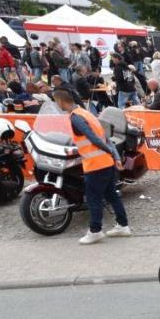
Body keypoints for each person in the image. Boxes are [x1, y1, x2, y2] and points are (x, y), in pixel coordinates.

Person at [51, 88, 131, 245]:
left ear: (60, 101)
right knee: (112, 196)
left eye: (55, 101)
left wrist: (108, 151)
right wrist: (113, 155)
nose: (56, 104)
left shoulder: (75, 118)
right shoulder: (86, 113)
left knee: (93, 199)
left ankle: (95, 231)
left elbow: (94, 139)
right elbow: (106, 138)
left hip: (95, 166)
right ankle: (123, 225)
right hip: (106, 163)